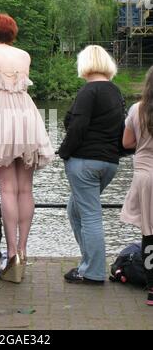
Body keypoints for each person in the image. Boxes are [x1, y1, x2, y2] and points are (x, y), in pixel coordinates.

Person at [0, 13, 54, 283]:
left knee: (6, 187)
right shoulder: (24, 55)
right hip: (26, 116)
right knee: (25, 188)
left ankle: (12, 253)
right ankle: (23, 253)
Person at [58, 45, 123, 285]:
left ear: (84, 64)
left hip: (84, 162)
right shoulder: (116, 92)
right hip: (108, 163)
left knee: (90, 216)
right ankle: (87, 263)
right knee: (74, 210)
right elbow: (120, 129)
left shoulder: (88, 91)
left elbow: (78, 127)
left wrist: (64, 152)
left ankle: (93, 272)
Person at [120, 67, 153, 306]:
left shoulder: (136, 109)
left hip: (144, 176)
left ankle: (152, 288)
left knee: (149, 233)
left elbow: (127, 142)